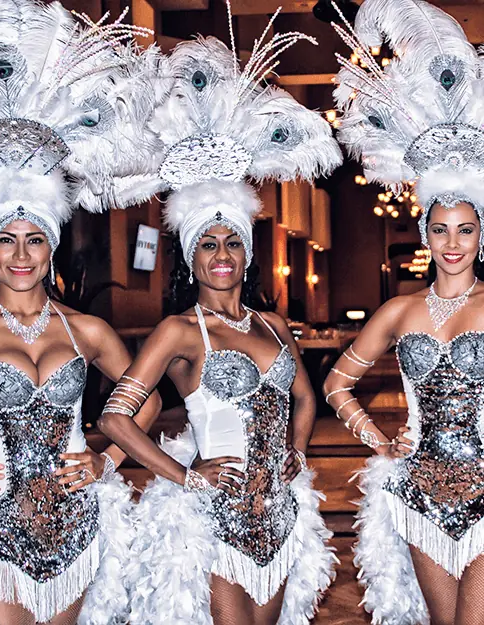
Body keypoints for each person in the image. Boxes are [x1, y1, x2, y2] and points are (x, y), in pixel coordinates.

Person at [96, 7, 343, 623]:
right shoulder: (179, 331)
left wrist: (296, 451)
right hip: (213, 518)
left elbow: (304, 399)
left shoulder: (272, 324)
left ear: (248, 251)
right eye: (207, 243)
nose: (222, 254)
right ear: (190, 257)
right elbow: (116, 419)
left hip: (280, 512)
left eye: (232, 241)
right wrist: (186, 475)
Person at [0, 2, 163, 623]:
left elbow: (146, 401)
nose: (21, 255)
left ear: (52, 248)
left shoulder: (87, 330)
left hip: (76, 518)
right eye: (7, 240)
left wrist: (107, 459)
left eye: (35, 240)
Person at [326, 0, 484, 623]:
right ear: (425, 235)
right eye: (440, 229)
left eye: (465, 229)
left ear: (481, 236)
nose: (452, 243)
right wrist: (376, 439)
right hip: (420, 491)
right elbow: (336, 384)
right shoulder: (398, 311)